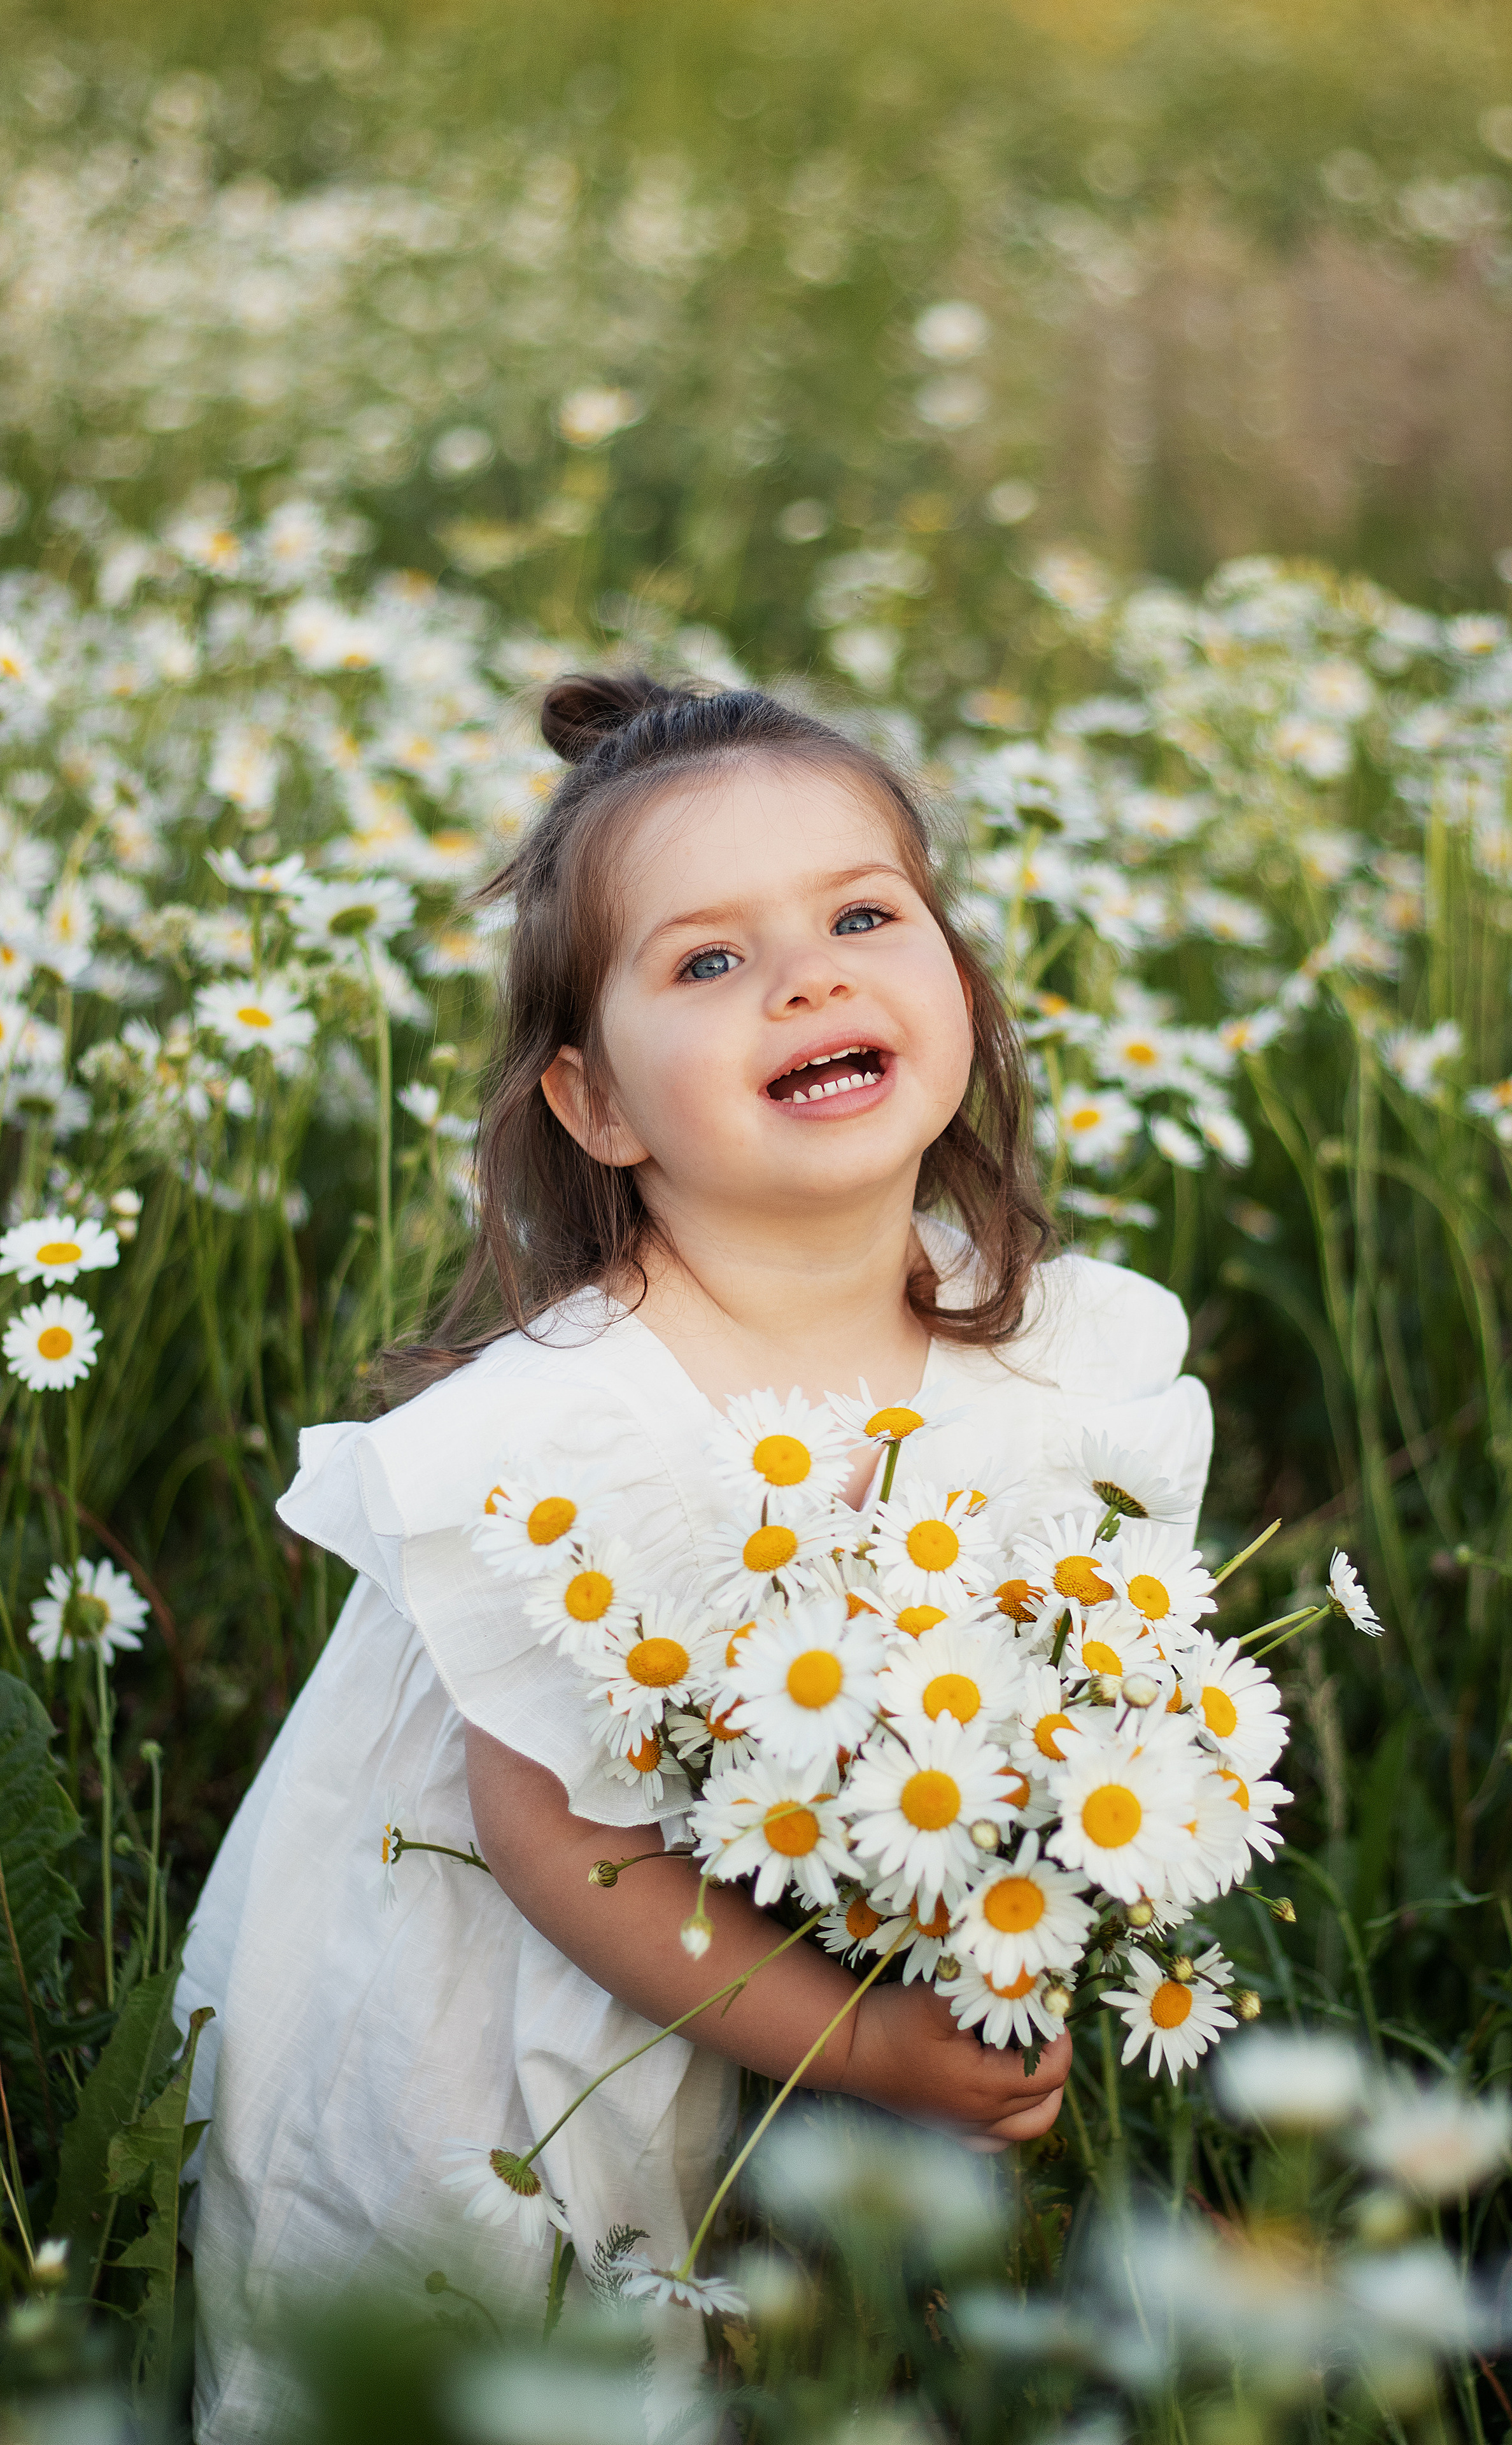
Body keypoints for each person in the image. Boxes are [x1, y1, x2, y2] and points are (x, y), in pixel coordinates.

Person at [176, 673, 1213, 2440]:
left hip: (819, 1940)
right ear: (598, 1109)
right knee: (507, 2337)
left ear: (952, 980)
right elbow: (552, 1842)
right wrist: (870, 2045)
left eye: (864, 917)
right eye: (709, 962)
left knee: (843, 2357)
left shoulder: (1047, 1364)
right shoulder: (578, 1434)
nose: (809, 978)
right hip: (511, 1996)